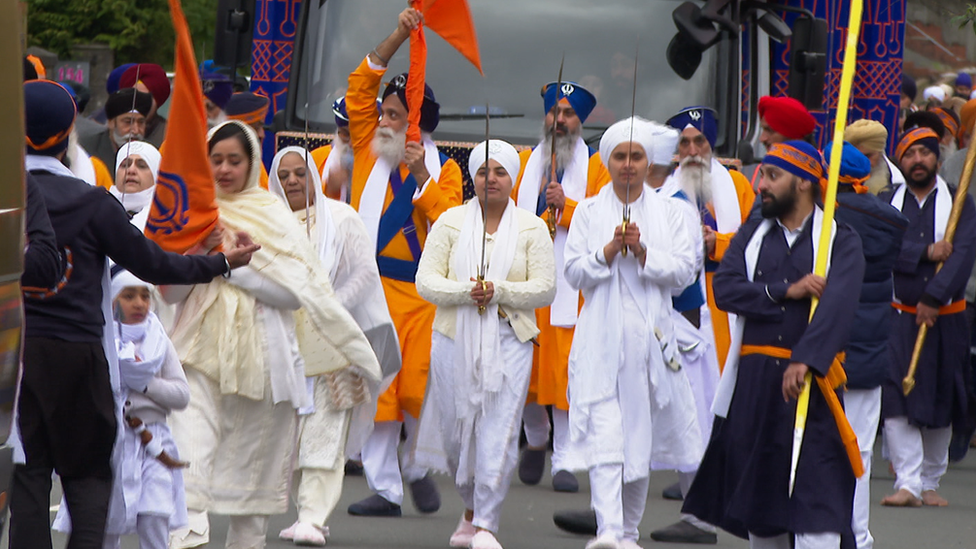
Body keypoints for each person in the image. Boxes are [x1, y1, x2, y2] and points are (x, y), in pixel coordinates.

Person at [12, 79, 258, 549]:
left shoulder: (8, 199)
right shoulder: (93, 202)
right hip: (80, 358)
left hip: (16, 357)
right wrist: (223, 262)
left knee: (28, 472)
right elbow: (154, 265)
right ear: (69, 135)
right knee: (86, 477)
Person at [166, 121, 382, 548]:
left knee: (252, 497)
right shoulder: (190, 213)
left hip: (265, 366)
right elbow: (171, 290)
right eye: (216, 160)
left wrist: (232, 265)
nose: (225, 169)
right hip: (198, 356)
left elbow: (292, 294)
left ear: (251, 164)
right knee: (187, 468)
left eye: (235, 160)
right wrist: (200, 252)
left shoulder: (273, 216)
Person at [681, 140, 865, 549]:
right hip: (754, 388)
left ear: (802, 183)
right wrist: (786, 290)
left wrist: (805, 361)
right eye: (762, 173)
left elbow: (838, 306)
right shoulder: (752, 232)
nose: (759, 184)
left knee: (818, 510)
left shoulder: (840, 239)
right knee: (762, 516)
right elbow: (726, 289)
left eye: (771, 176)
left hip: (811, 388)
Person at [343, 6, 464, 518]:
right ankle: (387, 487)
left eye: (398, 115)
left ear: (419, 124)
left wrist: (422, 180)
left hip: (422, 296)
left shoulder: (446, 169)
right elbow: (359, 86)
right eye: (385, 114)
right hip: (371, 288)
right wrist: (399, 34)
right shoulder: (369, 150)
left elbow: (454, 226)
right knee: (378, 388)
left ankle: (415, 466)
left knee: (417, 385)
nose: (387, 121)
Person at [563, 117, 700, 549]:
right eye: (620, 156)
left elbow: (683, 273)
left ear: (648, 162)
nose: (628, 165)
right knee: (606, 438)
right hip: (600, 340)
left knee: (636, 443)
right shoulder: (587, 210)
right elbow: (572, 272)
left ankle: (627, 533)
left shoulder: (672, 212)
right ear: (608, 161)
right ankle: (606, 531)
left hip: (650, 343)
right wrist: (606, 251)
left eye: (636, 156)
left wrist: (643, 252)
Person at [414, 139, 556, 549]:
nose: (490, 179)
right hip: (452, 337)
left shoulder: (531, 226)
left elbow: (545, 288)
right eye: (482, 171)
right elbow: (426, 281)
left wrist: (499, 291)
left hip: (510, 338)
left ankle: (486, 525)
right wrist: (466, 292)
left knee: (498, 430)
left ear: (511, 178)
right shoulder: (450, 223)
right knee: (458, 433)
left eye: (499, 172)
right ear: (472, 177)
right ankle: (471, 509)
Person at [268, 146, 400, 546]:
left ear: (314, 177)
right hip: (285, 342)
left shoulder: (342, 218)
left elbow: (363, 271)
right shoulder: (269, 224)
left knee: (325, 429)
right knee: (287, 432)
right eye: (285, 175)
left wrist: (329, 307)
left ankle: (313, 516)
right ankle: (301, 511)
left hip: (334, 340)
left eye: (300, 173)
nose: (292, 181)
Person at [512, 79, 611, 493]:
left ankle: (566, 457)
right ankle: (535, 441)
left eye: (569, 115)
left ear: (579, 123)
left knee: (566, 374)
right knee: (525, 372)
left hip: (573, 290)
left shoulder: (599, 167)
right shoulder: (523, 163)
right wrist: (536, 198)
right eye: (555, 113)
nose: (560, 121)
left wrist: (564, 206)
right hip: (525, 281)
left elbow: (604, 219)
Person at [878, 127, 976, 507]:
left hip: (946, 315)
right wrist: (924, 252)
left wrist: (934, 297)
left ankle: (930, 481)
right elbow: (883, 249)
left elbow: (963, 253)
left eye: (924, 152)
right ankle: (907, 482)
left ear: (937, 157)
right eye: (909, 154)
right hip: (898, 313)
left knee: (943, 396)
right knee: (896, 394)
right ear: (900, 161)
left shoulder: (960, 202)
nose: (917, 160)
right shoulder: (888, 201)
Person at [824, 141, 908, 549]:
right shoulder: (890, 220)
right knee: (860, 445)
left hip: (826, 348)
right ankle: (857, 534)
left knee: (814, 448)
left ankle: (817, 529)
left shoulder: (822, 218)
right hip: (870, 347)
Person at [76, 269, 191, 549]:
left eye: (145, 296)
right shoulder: (96, 337)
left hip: (152, 442)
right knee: (104, 523)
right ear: (110, 300)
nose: (139, 304)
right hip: (107, 441)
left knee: (154, 515)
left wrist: (143, 381)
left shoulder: (159, 341)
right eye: (128, 296)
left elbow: (181, 394)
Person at [665, 106, 756, 369]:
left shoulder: (737, 185)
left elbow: (757, 241)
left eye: (700, 141)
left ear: (711, 144)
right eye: (685, 143)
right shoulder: (665, 192)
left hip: (724, 300)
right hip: (683, 302)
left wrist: (718, 243)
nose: (692, 151)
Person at [79, 88, 153, 178]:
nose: (136, 130)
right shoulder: (86, 149)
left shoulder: (152, 154)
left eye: (141, 122)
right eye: (128, 122)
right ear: (111, 123)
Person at [844, 119, 904, 193]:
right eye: (857, 157)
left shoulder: (898, 185)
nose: (863, 162)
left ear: (880, 153)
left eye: (868, 156)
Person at [119, 63, 171, 147]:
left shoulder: (170, 136)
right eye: (132, 96)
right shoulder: (112, 132)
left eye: (144, 99)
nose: (137, 103)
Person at [110, 141, 161, 223]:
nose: (131, 170)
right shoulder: (97, 212)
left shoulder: (163, 220)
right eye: (125, 165)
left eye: (142, 166)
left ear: (156, 175)